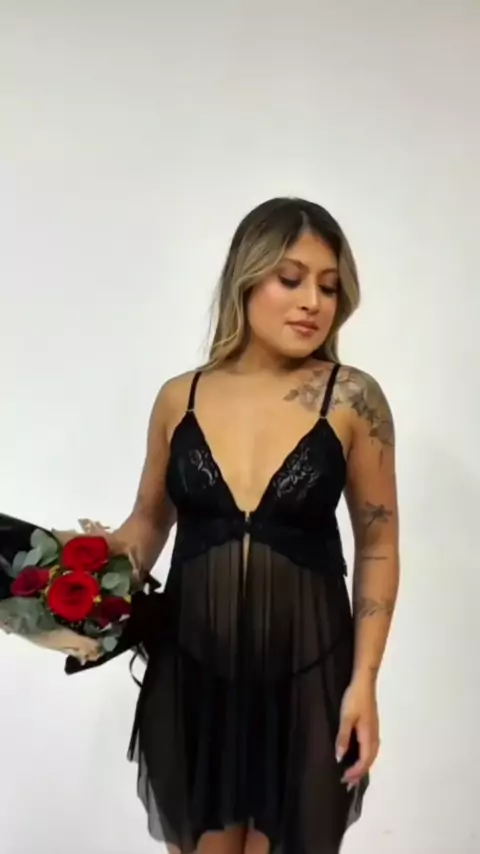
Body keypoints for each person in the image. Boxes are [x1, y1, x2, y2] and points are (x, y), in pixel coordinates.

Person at [84, 197, 400, 854]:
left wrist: (364, 681)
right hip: (193, 676)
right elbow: (147, 525)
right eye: (291, 278)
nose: (312, 302)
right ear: (246, 279)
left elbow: (378, 543)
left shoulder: (351, 398)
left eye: (329, 286)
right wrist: (73, 568)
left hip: (308, 679)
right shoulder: (181, 397)